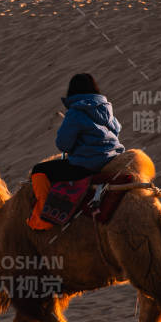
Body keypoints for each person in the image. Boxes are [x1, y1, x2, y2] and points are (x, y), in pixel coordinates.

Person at [28, 73, 126, 229]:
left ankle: (44, 220)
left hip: (86, 165)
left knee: (39, 170)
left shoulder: (76, 111)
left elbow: (63, 144)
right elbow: (117, 129)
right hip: (111, 159)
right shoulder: (107, 109)